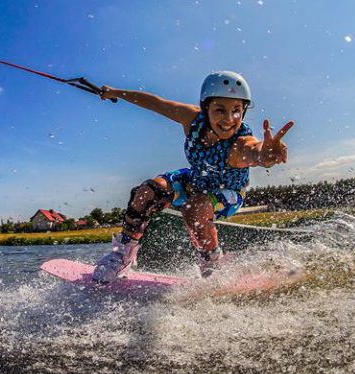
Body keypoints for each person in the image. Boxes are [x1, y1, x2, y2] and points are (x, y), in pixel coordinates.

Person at [92, 71, 293, 283]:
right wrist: (116, 92)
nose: (229, 119)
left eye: (236, 110)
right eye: (220, 110)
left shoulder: (240, 143)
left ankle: (212, 263)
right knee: (147, 192)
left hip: (227, 195)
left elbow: (257, 152)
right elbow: (154, 102)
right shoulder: (192, 119)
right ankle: (123, 255)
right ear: (206, 108)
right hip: (195, 180)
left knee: (195, 207)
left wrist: (267, 155)